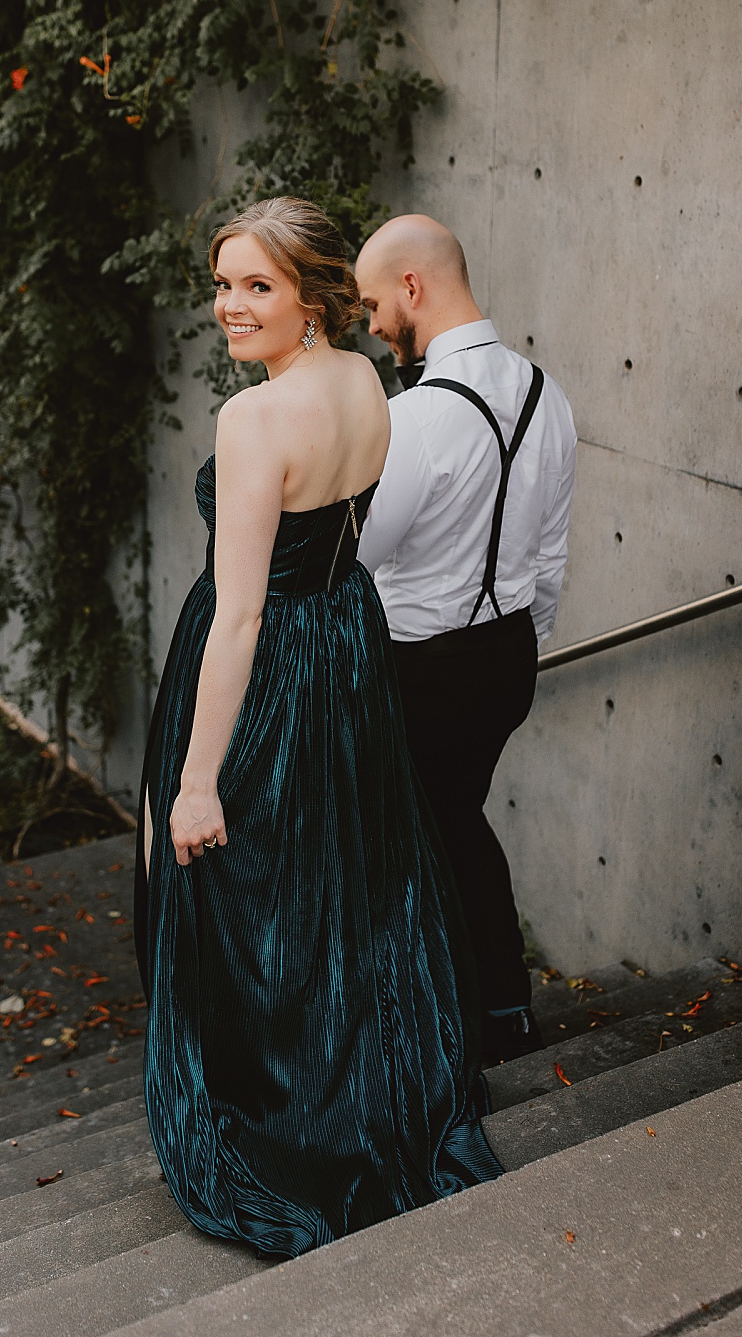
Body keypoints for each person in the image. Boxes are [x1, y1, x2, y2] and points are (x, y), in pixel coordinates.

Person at [136, 197, 500, 1261]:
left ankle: (284, 1117)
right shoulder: (367, 378)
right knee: (335, 886)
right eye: (222, 283)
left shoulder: (254, 418)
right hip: (347, 642)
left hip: (270, 656)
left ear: (313, 293)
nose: (230, 306)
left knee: (238, 888)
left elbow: (241, 611)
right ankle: (359, 1082)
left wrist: (197, 778)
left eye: (258, 284)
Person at [353, 214, 576, 1066]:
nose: (373, 324)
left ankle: (454, 1025)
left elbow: (360, 560)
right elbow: (549, 555)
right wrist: (519, 646)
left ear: (413, 287)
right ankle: (498, 1014)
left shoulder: (414, 418)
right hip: (507, 658)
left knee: (418, 838)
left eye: (375, 303)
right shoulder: (546, 393)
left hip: (425, 671)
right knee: (455, 822)